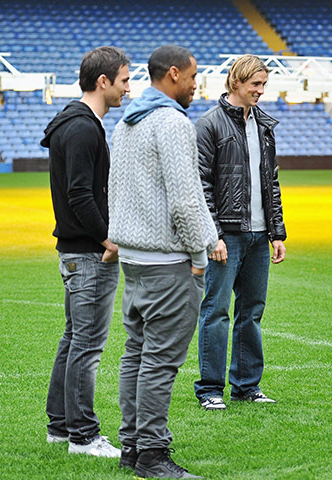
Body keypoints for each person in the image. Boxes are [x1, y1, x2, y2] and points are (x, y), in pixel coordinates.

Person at [108, 45, 217, 479]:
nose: (195, 85)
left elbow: (115, 191)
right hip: (167, 261)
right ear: (173, 74)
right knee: (159, 362)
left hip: (133, 260)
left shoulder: (127, 121)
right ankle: (152, 454)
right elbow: (186, 201)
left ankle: (132, 446)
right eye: (192, 77)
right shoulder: (172, 122)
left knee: (136, 355)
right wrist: (198, 255)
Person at [42, 46, 130, 457]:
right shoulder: (81, 128)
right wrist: (107, 239)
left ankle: (61, 427)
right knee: (87, 346)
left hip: (79, 252)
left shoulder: (77, 124)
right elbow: (80, 193)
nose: (127, 90)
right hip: (88, 255)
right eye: (124, 81)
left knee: (75, 339)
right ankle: (84, 435)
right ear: (103, 82)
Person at [193, 54, 286, 411]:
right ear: (236, 83)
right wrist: (212, 234)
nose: (261, 91)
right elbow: (202, 185)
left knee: (252, 311)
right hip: (226, 235)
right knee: (216, 311)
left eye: (264, 85)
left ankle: (247, 386)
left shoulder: (264, 126)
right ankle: (210, 389)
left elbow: (271, 182)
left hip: (260, 236)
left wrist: (277, 232)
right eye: (255, 85)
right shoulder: (210, 125)